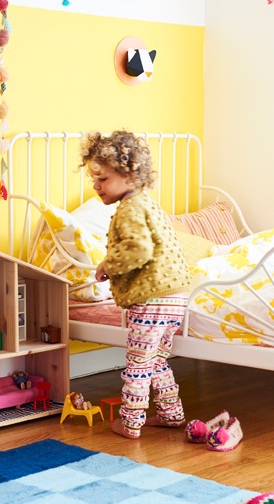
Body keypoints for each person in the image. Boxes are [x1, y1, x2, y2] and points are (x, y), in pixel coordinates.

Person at [80, 130, 191, 439]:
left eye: (102, 179)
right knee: (156, 360)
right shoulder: (149, 205)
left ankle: (130, 422)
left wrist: (107, 265)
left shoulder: (129, 209)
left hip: (151, 298)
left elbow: (137, 249)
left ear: (129, 176)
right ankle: (171, 413)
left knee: (137, 364)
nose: (95, 185)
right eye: (94, 178)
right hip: (176, 296)